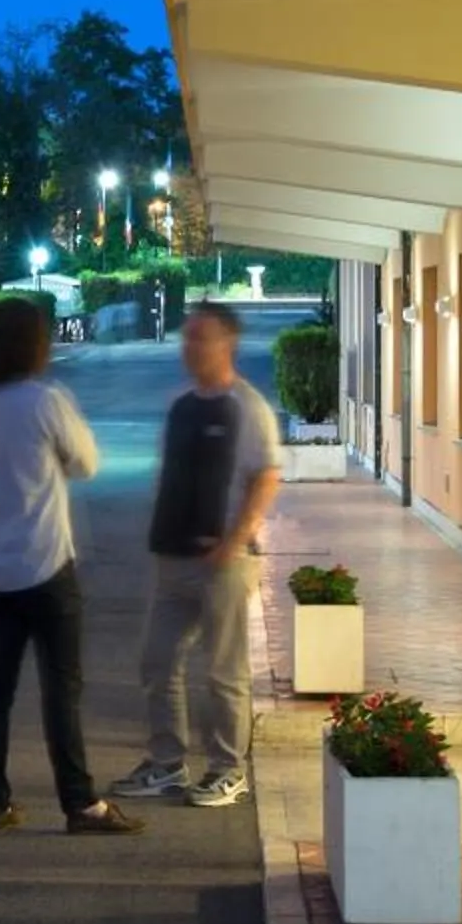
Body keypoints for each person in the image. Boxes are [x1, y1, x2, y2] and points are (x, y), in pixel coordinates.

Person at [0, 298, 144, 837]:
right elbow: (86, 462)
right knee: (61, 691)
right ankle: (80, 804)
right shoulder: (45, 401)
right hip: (45, 566)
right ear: (34, 346)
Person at [111, 301, 283, 809]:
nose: (189, 348)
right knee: (157, 661)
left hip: (224, 562)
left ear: (227, 344)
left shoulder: (246, 407)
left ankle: (229, 770)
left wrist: (234, 540)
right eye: (186, 338)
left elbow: (266, 476)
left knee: (224, 671)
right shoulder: (182, 405)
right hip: (173, 560)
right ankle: (166, 763)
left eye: (200, 338)